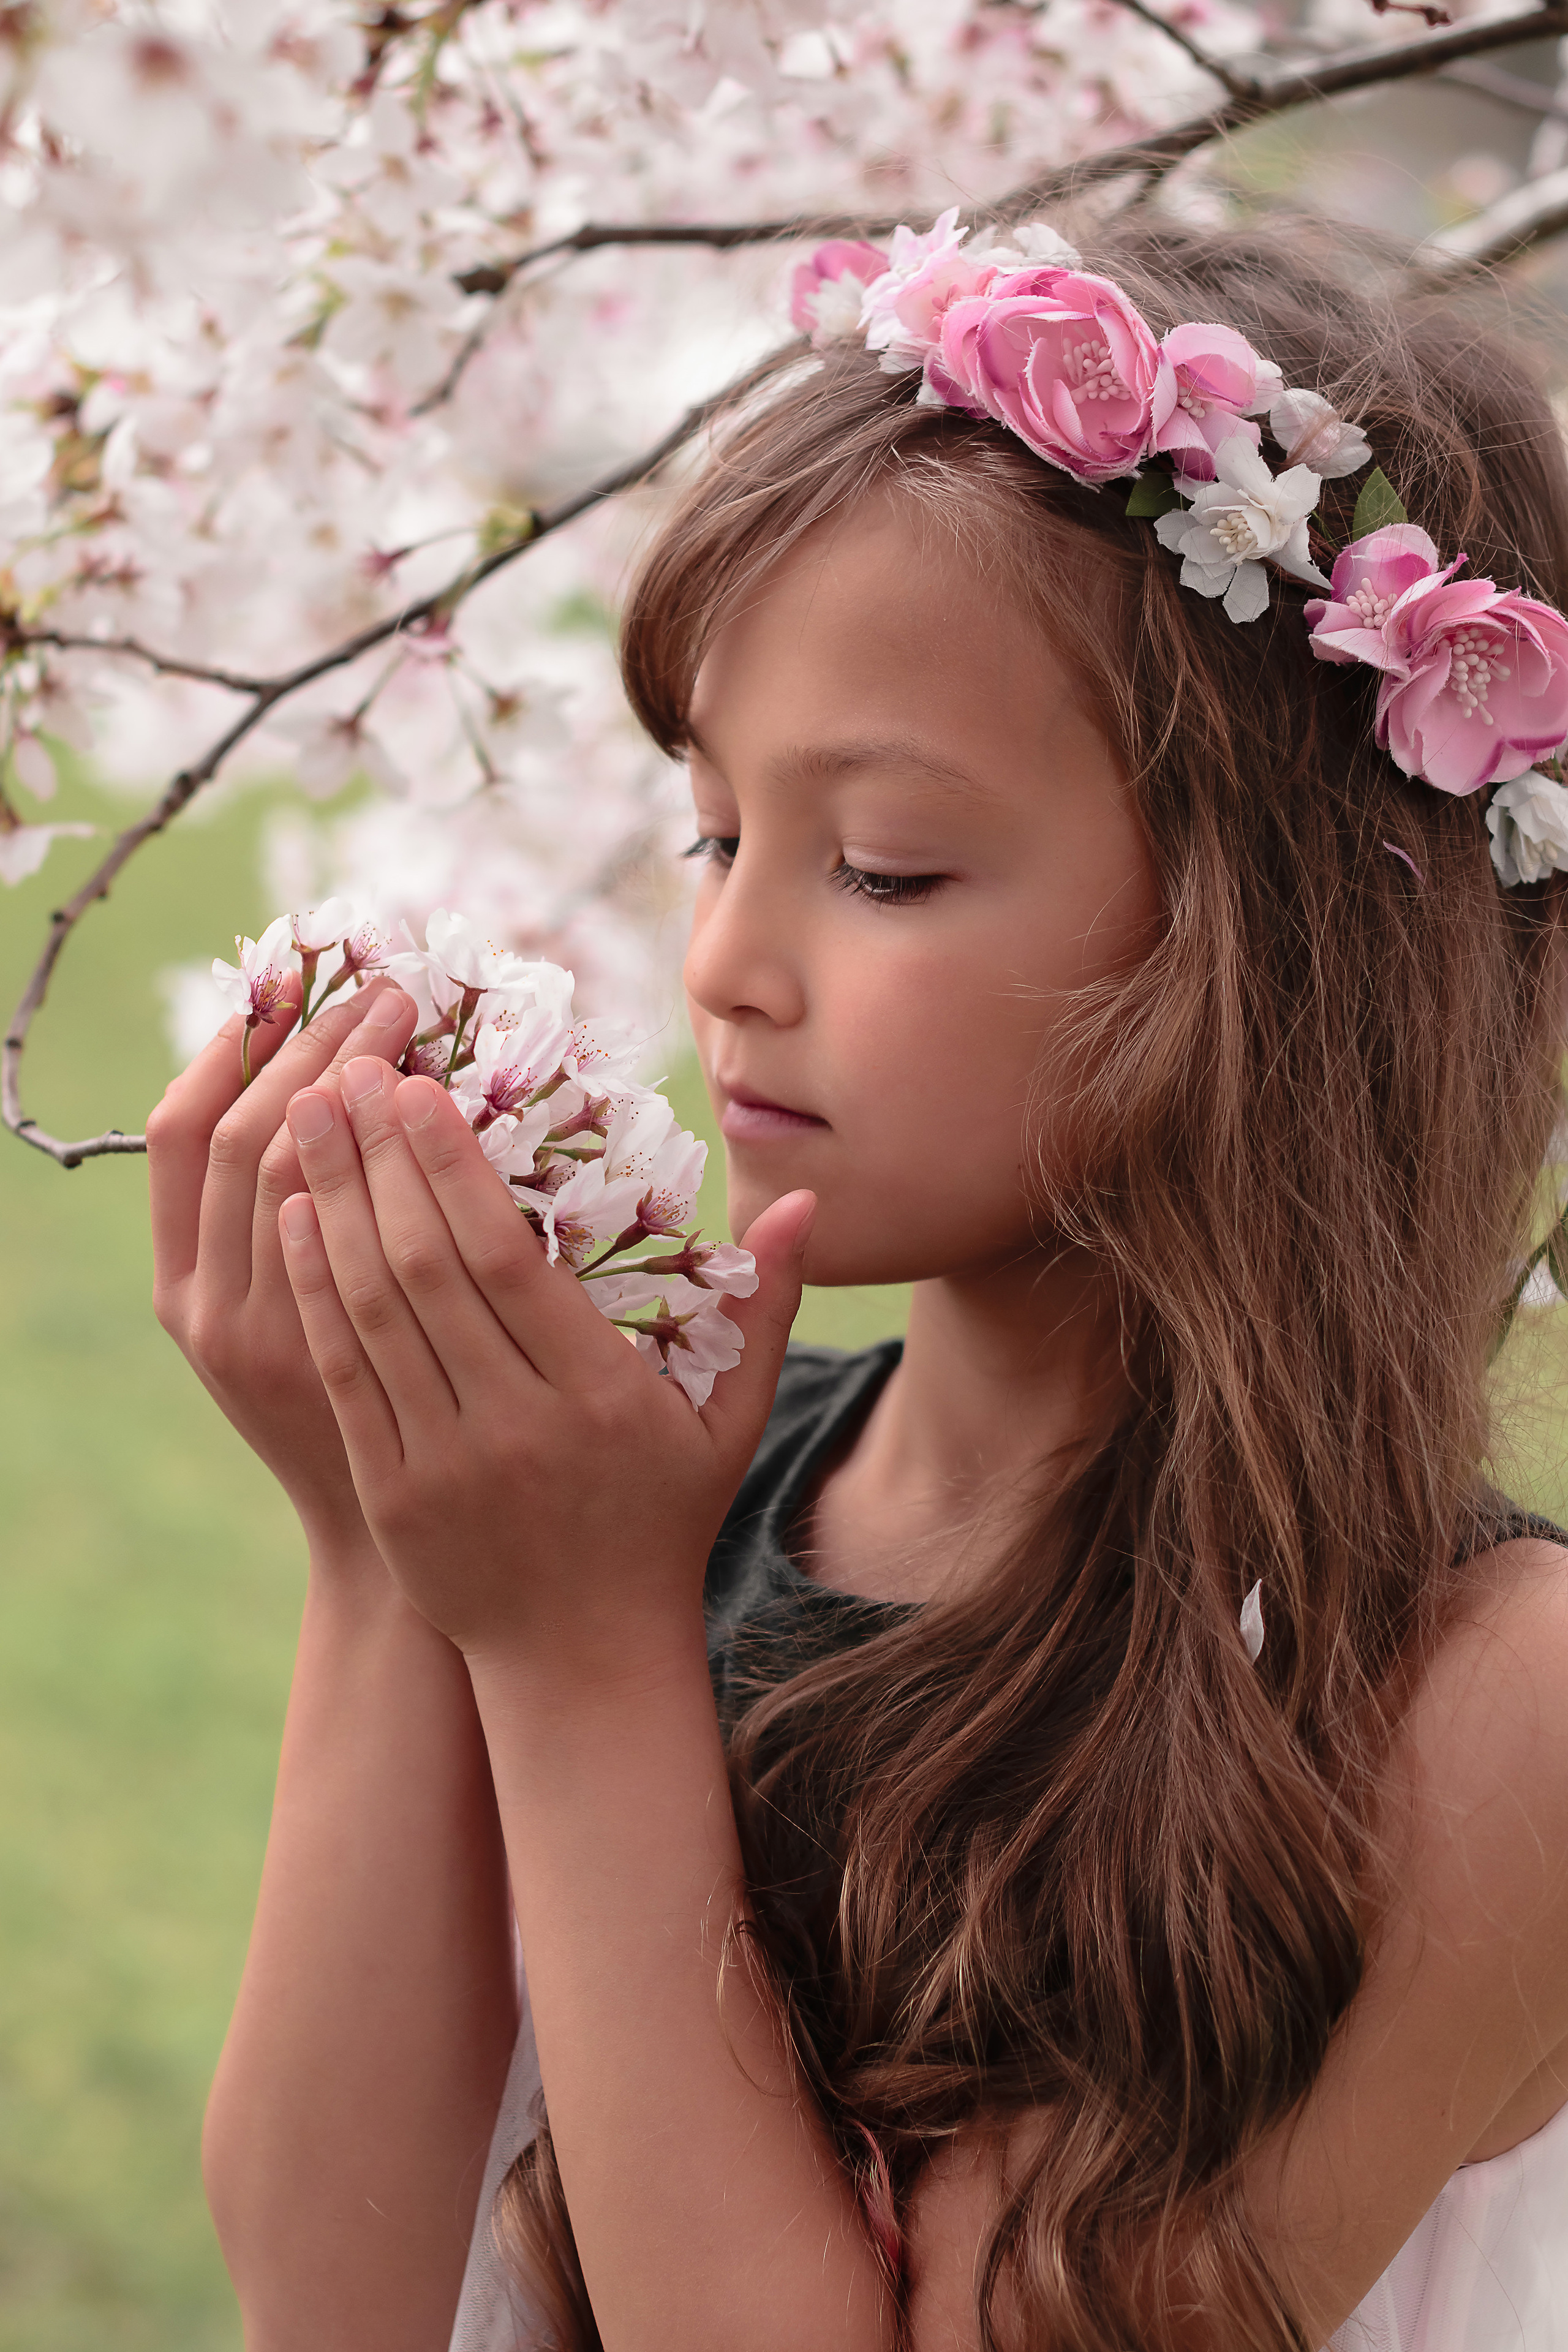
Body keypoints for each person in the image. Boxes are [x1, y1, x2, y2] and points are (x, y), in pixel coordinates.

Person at [145, 213, 1568, 2352]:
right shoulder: (655, 1498)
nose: (722, 966)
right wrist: (381, 1552)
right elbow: (332, 2290)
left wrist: (576, 1659)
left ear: (1278, 950)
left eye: (882, 864)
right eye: (714, 834)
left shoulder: (1465, 1708)